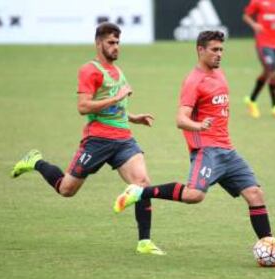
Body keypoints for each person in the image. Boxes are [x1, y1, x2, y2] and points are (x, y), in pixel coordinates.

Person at [113, 30, 275, 264]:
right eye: (214, 49)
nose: (219, 54)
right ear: (200, 50)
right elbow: (180, 119)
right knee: (194, 195)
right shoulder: (194, 81)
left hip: (228, 150)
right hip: (207, 150)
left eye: (221, 49)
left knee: (255, 194)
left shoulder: (219, 73)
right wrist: (199, 126)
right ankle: (139, 192)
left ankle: (273, 249)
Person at [10, 22, 165, 255]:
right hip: (98, 141)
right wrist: (116, 99)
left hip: (124, 140)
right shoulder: (89, 70)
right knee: (66, 189)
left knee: (142, 184)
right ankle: (35, 161)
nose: (116, 47)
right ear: (98, 43)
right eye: (111, 43)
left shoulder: (117, 71)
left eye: (118, 43)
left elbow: (116, 103)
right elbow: (83, 107)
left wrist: (133, 117)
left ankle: (144, 242)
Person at [242, 0, 275, 119]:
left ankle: (251, 100)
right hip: (263, 43)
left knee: (268, 72)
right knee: (273, 71)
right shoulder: (258, 1)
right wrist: (254, 25)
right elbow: (246, 16)